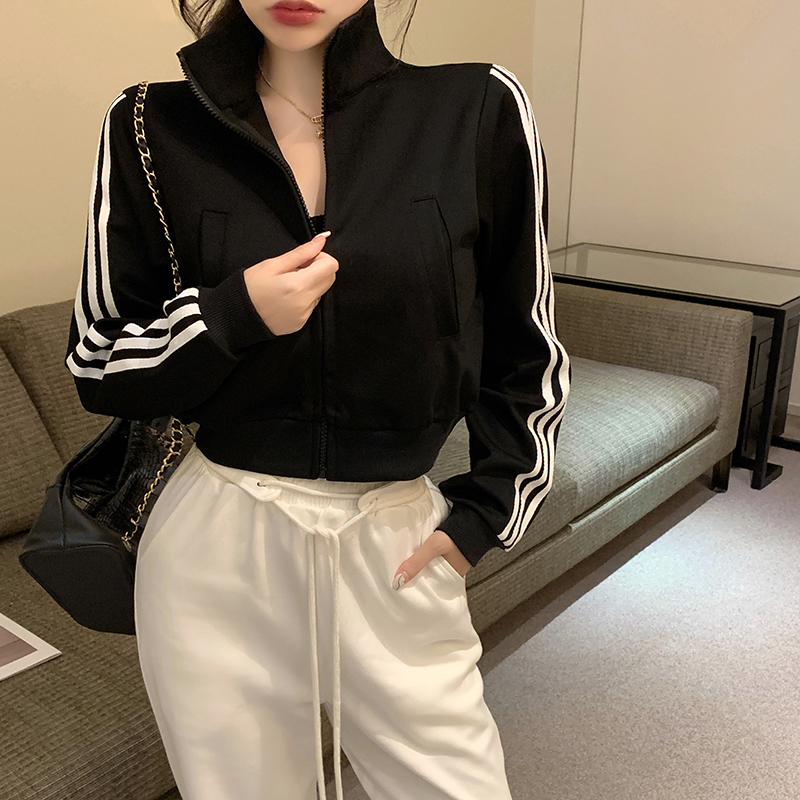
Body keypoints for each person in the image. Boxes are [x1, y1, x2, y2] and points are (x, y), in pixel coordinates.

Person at [65, 0, 571, 797]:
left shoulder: (476, 108)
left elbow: (526, 344)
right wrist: (231, 315)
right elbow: (98, 358)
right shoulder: (148, 125)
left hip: (394, 537)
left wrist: (486, 512)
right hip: (214, 544)